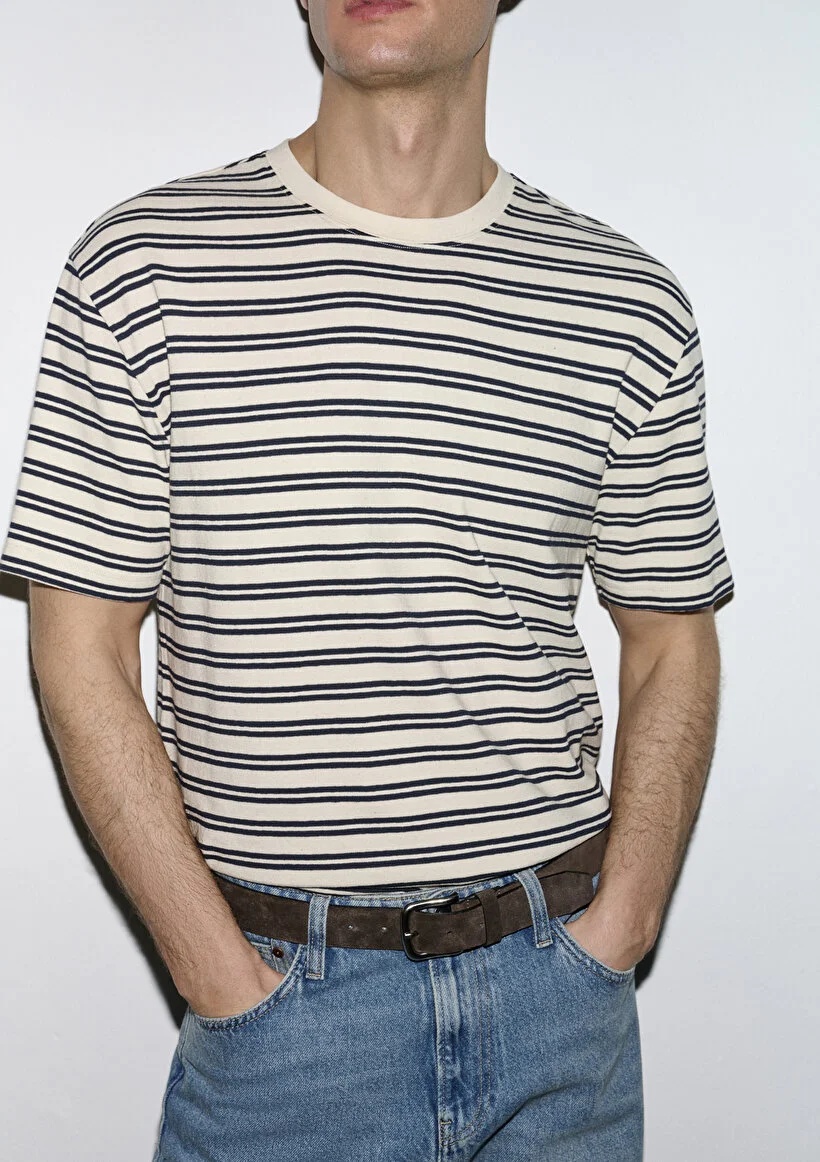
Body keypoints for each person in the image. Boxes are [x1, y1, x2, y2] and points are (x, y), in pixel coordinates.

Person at [0, 1, 734, 1158]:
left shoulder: (623, 301)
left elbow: (671, 636)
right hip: (279, 1020)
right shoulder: (145, 267)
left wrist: (624, 920)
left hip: (559, 1002)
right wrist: (216, 971)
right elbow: (76, 642)